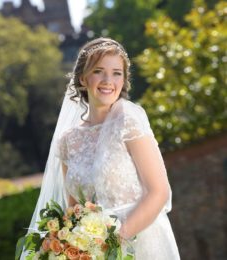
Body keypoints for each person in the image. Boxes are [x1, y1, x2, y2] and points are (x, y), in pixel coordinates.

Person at [22, 37, 180, 259]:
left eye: (117, 73)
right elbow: (75, 209)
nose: (108, 80)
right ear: (82, 79)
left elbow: (159, 192)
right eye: (99, 71)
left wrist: (114, 243)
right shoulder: (69, 140)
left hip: (140, 242)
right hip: (93, 252)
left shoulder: (128, 120)